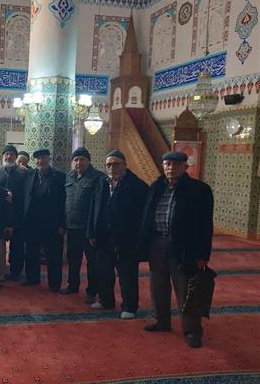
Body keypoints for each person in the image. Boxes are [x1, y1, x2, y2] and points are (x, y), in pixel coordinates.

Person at [139, 151, 214, 348]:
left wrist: (203, 255)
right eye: (167, 164)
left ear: (185, 167)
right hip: (157, 242)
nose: (170, 168)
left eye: (175, 164)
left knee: (185, 288)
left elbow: (206, 225)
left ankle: (192, 331)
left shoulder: (199, 190)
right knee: (158, 285)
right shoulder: (155, 187)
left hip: (183, 246)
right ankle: (161, 321)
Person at [87, 150, 148, 319]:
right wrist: (91, 232)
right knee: (103, 271)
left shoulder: (137, 186)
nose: (112, 167)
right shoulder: (101, 183)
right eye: (109, 165)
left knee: (127, 274)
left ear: (125, 165)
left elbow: (143, 216)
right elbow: (93, 209)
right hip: (103, 237)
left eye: (116, 164)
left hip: (126, 239)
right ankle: (106, 300)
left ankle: (129, 306)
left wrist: (139, 238)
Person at [61, 147, 106, 303]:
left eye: (82, 159)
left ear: (88, 161)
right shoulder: (69, 176)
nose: (78, 162)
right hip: (71, 226)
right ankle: (72, 285)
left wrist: (94, 230)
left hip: (88, 229)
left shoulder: (99, 177)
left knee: (92, 262)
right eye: (76, 160)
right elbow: (64, 201)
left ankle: (92, 291)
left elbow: (99, 206)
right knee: (73, 258)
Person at [22, 149, 66, 292]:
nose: (41, 161)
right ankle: (32, 279)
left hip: (52, 224)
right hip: (32, 222)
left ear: (48, 158)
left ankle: (54, 284)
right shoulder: (28, 175)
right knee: (31, 252)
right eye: (38, 159)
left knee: (53, 255)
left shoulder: (60, 177)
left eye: (43, 158)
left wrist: (62, 224)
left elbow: (64, 202)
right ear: (35, 160)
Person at [0, 145, 26, 281]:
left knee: (17, 245)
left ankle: (16, 271)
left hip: (17, 213)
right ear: (2, 156)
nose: (9, 157)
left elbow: (27, 193)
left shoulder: (23, 173)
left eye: (11, 154)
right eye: (6, 154)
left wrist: (15, 198)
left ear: (15, 157)